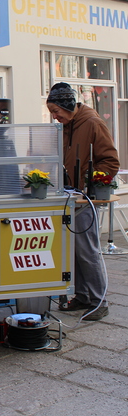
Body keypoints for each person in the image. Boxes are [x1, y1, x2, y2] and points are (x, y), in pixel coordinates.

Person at [47, 81, 119, 321]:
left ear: (68, 106)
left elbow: (110, 161)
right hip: (70, 197)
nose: (55, 117)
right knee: (73, 251)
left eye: (56, 112)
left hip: (85, 198)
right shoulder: (67, 126)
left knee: (88, 251)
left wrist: (91, 181)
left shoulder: (92, 123)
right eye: (52, 113)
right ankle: (81, 296)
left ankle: (99, 300)